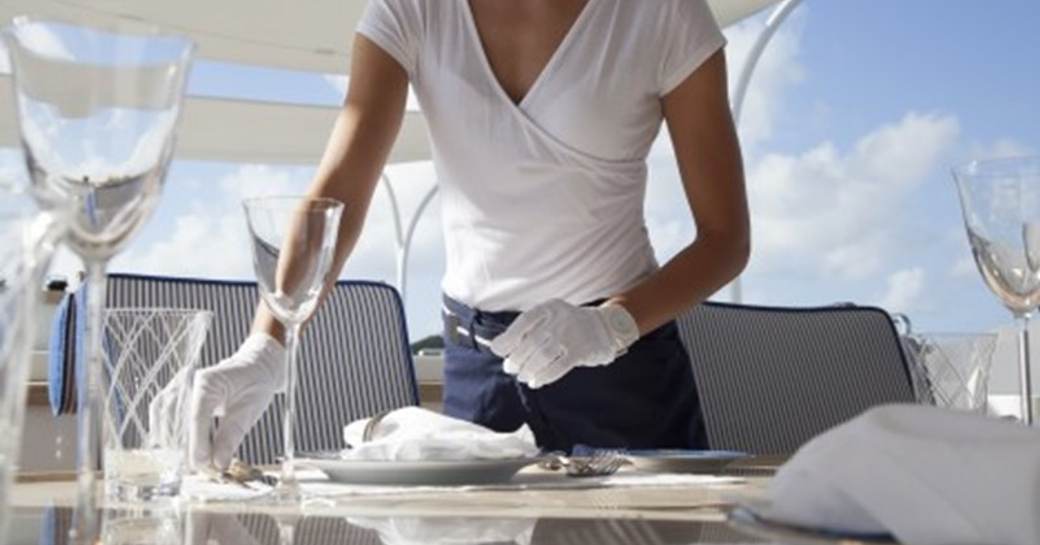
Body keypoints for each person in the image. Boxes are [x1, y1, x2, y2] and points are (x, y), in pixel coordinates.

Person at [188, 0, 749, 470]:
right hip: (478, 368)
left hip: (621, 366)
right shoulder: (412, 9)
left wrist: (610, 325)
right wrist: (268, 343)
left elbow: (725, 238)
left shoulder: (665, 14)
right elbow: (338, 195)